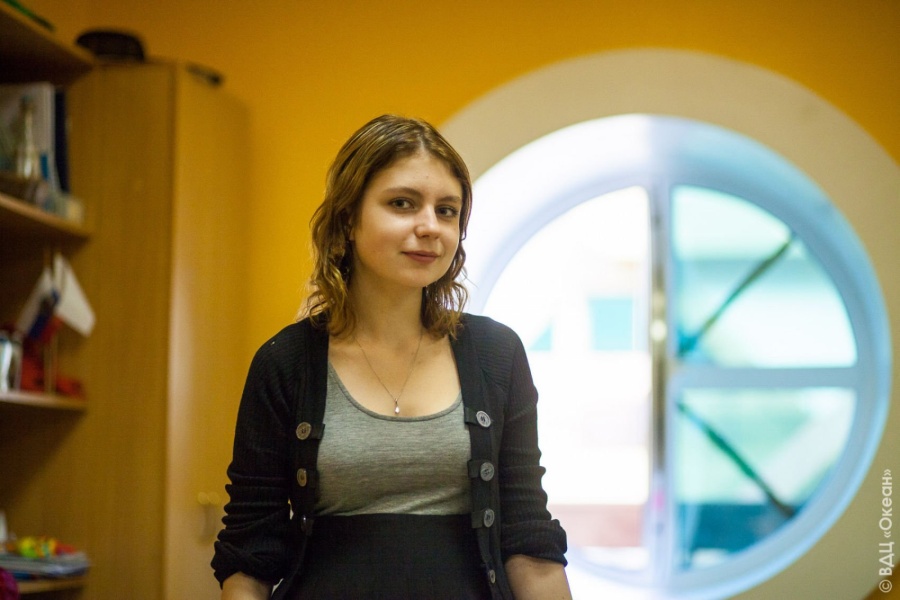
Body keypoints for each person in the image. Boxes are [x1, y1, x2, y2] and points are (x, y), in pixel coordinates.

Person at [211, 114, 571, 599]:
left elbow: (529, 540)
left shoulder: (496, 355)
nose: (430, 226)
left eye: (447, 210)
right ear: (347, 220)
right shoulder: (286, 363)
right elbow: (248, 554)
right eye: (402, 203)